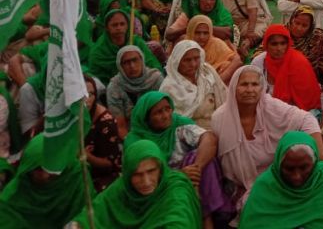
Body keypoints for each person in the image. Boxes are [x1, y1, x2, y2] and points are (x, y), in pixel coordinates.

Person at [211, 66, 323, 214]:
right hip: (239, 187)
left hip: (277, 180)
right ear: (234, 87)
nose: (250, 90)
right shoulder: (220, 119)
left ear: (262, 87)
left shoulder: (270, 107)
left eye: (255, 84)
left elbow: (307, 119)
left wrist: (322, 156)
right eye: (244, 84)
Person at [125, 92, 227, 223]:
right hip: (156, 187)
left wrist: (197, 169)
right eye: (158, 113)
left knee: (201, 157)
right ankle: (205, 219)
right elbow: (141, 175)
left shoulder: (178, 124)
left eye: (168, 109)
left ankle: (206, 217)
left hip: (192, 181)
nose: (166, 116)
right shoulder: (135, 141)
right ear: (146, 117)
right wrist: (178, 176)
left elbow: (209, 138)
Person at [73, 139, 201, 229]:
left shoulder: (176, 189)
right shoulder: (123, 187)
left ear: (161, 169)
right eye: (137, 174)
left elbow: (179, 221)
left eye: (151, 171)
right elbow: (93, 212)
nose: (146, 181)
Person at [239, 131, 323, 229]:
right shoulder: (265, 186)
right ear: (278, 165)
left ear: (314, 163)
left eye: (304, 168)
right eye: (289, 168)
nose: (297, 176)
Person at [0, 135, 88, 228]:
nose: (44, 175)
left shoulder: (76, 178)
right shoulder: (20, 185)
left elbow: (86, 217)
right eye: (37, 169)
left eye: (51, 169)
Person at [251, 24, 321, 112]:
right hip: (265, 110)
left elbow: (307, 100)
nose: (279, 48)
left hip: (295, 112)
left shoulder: (299, 63)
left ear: (288, 44)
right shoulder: (258, 63)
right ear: (266, 44)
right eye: (274, 44)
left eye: (283, 43)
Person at [160, 40, 227, 129]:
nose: (193, 64)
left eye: (196, 58)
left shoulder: (206, 73)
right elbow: (170, 121)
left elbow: (224, 98)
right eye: (187, 60)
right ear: (177, 61)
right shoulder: (169, 87)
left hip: (217, 127)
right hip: (187, 133)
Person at [89, 9, 162, 85]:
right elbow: (98, 81)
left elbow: (152, 64)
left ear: (127, 25)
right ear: (107, 28)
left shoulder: (136, 42)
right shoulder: (98, 50)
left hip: (143, 83)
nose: (119, 28)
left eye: (122, 24)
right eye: (114, 25)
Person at [106, 45, 165, 138]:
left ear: (142, 60)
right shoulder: (115, 87)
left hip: (160, 131)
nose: (132, 66)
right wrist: (131, 143)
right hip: (131, 134)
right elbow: (120, 126)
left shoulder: (156, 79)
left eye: (135, 60)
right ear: (120, 66)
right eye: (126, 62)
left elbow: (165, 114)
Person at [83, 75, 123, 192]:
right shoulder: (67, 116)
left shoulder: (106, 123)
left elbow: (110, 165)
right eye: (82, 95)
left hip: (100, 175)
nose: (86, 100)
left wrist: (86, 156)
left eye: (90, 94)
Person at [185, 14, 241, 83]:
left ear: (211, 32)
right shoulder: (184, 48)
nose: (201, 37)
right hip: (190, 87)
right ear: (190, 32)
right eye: (197, 33)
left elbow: (237, 61)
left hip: (218, 86)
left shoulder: (217, 44)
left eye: (205, 33)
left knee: (227, 65)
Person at [286, 6, 323, 84]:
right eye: (297, 23)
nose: (299, 28)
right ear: (291, 20)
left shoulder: (317, 37)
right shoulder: (281, 34)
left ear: (310, 27)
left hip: (310, 77)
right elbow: (261, 52)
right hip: (285, 77)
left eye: (304, 25)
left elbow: (322, 61)